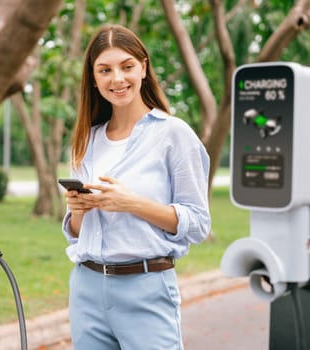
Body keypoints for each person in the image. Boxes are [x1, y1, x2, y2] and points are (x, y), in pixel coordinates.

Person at [61, 24, 211, 350]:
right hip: (86, 287)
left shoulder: (174, 134)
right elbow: (76, 232)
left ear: (143, 67)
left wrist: (131, 203)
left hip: (146, 287)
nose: (117, 78)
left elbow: (198, 223)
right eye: (105, 70)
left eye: (127, 66)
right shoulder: (87, 141)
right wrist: (77, 211)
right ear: (93, 78)